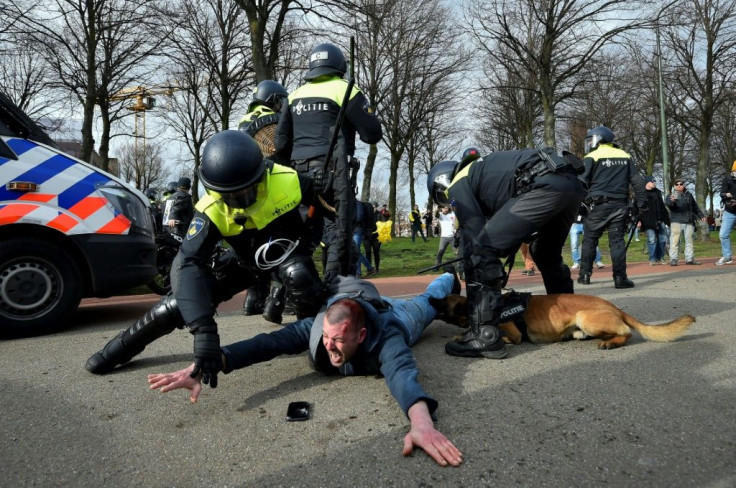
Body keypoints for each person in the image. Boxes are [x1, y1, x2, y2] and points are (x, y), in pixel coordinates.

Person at [147, 272, 464, 467]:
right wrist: (207, 364)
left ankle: (449, 276)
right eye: (327, 337)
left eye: (338, 340)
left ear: (361, 337)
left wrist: (421, 423)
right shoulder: (318, 328)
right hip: (352, 304)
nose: (329, 346)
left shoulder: (388, 337)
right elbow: (267, 344)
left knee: (429, 303)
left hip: (397, 313)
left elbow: (402, 374)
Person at [85, 131, 326, 382]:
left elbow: (335, 216)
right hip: (243, 263)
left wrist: (325, 197)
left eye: (246, 192)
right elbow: (187, 264)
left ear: (262, 173)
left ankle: (312, 337)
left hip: (287, 257)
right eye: (229, 196)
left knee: (299, 274)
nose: (239, 202)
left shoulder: (291, 180)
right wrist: (204, 331)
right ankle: (116, 350)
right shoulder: (209, 210)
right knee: (177, 304)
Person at [427, 147, 585, 359]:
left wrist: (479, 258)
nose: (449, 204)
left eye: (445, 200)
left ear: (441, 184)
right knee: (545, 253)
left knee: (481, 248)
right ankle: (572, 317)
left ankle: (485, 335)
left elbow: (475, 233)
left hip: (542, 186)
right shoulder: (482, 171)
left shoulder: (458, 182)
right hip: (570, 185)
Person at [275, 42, 382, 283]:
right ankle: (335, 287)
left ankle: (288, 292)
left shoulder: (294, 95)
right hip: (333, 174)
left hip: (297, 177)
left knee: (301, 234)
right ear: (340, 65)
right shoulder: (346, 90)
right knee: (339, 233)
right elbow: (372, 134)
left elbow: (281, 144)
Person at [238, 80, 290, 320]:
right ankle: (280, 299)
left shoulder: (243, 122)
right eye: (280, 101)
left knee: (253, 248)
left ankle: (253, 301)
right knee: (280, 243)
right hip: (271, 187)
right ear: (273, 100)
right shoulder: (274, 121)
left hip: (246, 194)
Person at [577, 126, 646, 288]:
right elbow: (637, 181)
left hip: (597, 206)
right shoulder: (625, 156)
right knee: (617, 241)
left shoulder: (592, 156)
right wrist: (641, 203)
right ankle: (620, 278)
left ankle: (584, 275)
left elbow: (582, 181)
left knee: (590, 240)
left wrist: (579, 204)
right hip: (620, 205)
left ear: (600, 139)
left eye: (591, 140)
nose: (589, 143)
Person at [665, 179, 706, 266]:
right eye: (677, 184)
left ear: (683, 185)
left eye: (681, 184)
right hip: (676, 221)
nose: (679, 185)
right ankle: (673, 259)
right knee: (674, 240)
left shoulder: (689, 195)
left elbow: (695, 206)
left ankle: (689, 258)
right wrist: (673, 201)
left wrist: (701, 215)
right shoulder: (671, 195)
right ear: (674, 186)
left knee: (689, 241)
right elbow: (669, 205)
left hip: (689, 221)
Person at [637, 176, 670, 266]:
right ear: (647, 183)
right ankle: (652, 259)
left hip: (660, 220)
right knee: (652, 240)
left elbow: (662, 207)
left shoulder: (658, 193)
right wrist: (638, 220)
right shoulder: (641, 194)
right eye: (653, 181)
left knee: (663, 240)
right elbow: (637, 208)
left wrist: (667, 220)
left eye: (655, 181)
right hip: (648, 221)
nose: (654, 183)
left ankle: (660, 258)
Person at [569, 203, 605, 270]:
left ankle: (598, 261)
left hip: (587, 223)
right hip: (575, 224)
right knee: (574, 244)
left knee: (592, 241)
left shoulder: (588, 199)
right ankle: (576, 262)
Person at [716, 161, 736, 265]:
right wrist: (726, 195)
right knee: (723, 234)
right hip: (730, 211)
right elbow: (722, 193)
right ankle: (727, 256)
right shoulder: (727, 179)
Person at [354, 200, 378, 277]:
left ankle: (359, 272)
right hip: (352, 230)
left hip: (358, 230)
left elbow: (359, 218)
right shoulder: (350, 203)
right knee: (354, 250)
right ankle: (369, 269)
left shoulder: (358, 204)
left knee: (355, 250)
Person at [364, 202, 382, 273]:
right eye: (371, 207)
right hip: (366, 237)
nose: (372, 208)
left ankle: (377, 268)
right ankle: (369, 269)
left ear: (376, 207)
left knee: (376, 252)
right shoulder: (365, 214)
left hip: (376, 237)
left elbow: (382, 224)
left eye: (374, 207)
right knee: (368, 252)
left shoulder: (379, 215)